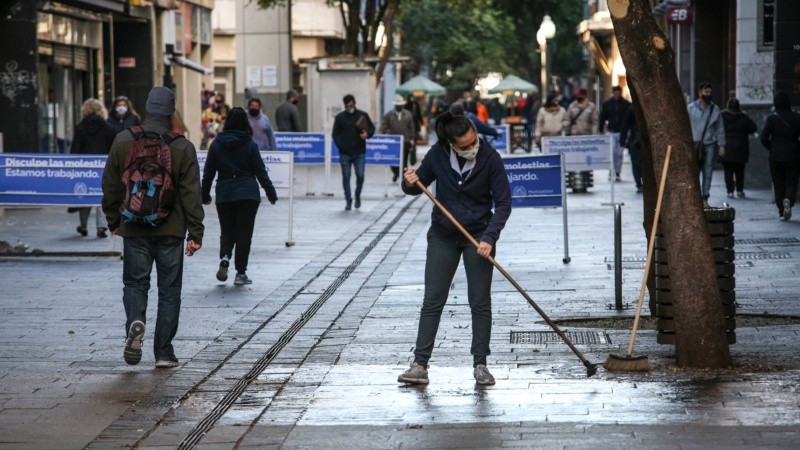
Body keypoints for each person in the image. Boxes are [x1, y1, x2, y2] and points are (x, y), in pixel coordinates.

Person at [397, 111, 512, 386]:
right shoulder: (437, 155)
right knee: (433, 299)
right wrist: (409, 182)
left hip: (478, 237)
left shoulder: (489, 158)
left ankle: (481, 364)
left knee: (480, 301)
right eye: (465, 146)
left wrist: (489, 237)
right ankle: (419, 365)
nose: (472, 148)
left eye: (474, 141)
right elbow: (418, 185)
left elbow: (504, 203)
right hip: (443, 236)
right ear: (450, 143)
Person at [101, 86, 205, 369]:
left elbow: (110, 185)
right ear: (171, 111)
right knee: (169, 289)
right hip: (171, 229)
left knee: (135, 282)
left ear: (146, 108)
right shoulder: (182, 146)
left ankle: (136, 321)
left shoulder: (123, 140)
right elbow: (191, 194)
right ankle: (164, 352)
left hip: (134, 226)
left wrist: (114, 220)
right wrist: (196, 232)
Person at [202, 107, 278, 285]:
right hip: (247, 194)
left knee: (227, 230)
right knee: (244, 233)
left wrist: (204, 195)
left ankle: (226, 257)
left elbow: (208, 173)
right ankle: (240, 273)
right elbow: (260, 171)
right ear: (245, 123)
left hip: (225, 193)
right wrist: (271, 193)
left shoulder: (217, 143)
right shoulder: (250, 144)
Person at [70, 98, 116, 237]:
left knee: (84, 194)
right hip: (103, 168)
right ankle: (101, 226)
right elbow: (113, 149)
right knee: (102, 196)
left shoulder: (80, 128)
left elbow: (75, 149)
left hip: (85, 168)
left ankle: (83, 226)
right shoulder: (109, 128)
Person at [759, 91, 800, 221]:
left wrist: (771, 147)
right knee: (792, 181)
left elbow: (763, 137)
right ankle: (789, 200)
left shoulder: (772, 118)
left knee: (778, 183)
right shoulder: (797, 117)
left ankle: (781, 212)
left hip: (776, 156)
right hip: (793, 155)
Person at [332, 94, 375, 210]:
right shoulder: (340, 117)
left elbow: (371, 129)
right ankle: (348, 200)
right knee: (346, 176)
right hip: (344, 153)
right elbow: (335, 134)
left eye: (351, 105)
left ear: (355, 103)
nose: (349, 107)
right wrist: (340, 146)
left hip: (359, 151)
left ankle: (357, 195)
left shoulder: (363, 115)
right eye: (347, 106)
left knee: (360, 175)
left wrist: (367, 135)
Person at [688, 82, 726, 207]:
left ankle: (705, 198)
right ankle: (694, 198)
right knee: (694, 172)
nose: (708, 94)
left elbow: (720, 128)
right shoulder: (691, 108)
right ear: (700, 93)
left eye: (710, 92)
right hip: (694, 145)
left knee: (708, 172)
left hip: (709, 145)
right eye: (706, 92)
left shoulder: (715, 110)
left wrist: (722, 146)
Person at [720, 98, 757, 199]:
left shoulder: (722, 115)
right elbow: (753, 128)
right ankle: (740, 190)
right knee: (739, 171)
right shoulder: (743, 116)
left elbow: (717, 129)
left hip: (727, 147)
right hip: (741, 147)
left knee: (728, 171)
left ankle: (730, 191)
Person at [566, 87, 599, 192]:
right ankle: (573, 182)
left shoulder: (591, 106)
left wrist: (593, 136)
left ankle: (585, 181)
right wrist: (567, 132)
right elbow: (567, 120)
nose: (578, 97)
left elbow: (595, 121)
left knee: (586, 161)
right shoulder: (572, 106)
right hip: (574, 137)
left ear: (585, 95)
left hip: (587, 137)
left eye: (580, 95)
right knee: (574, 160)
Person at [382, 94, 417, 183]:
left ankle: (403, 177)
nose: (399, 106)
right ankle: (397, 173)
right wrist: (385, 129)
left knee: (404, 161)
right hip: (393, 141)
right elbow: (383, 125)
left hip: (405, 141)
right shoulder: (389, 114)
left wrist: (412, 138)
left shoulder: (408, 114)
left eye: (400, 105)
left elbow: (412, 127)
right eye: (397, 105)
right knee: (392, 160)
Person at [599, 86, 631, 180]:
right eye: (615, 92)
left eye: (618, 92)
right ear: (613, 93)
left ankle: (617, 171)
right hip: (610, 131)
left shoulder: (626, 104)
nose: (617, 94)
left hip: (622, 132)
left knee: (619, 153)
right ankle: (611, 170)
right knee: (612, 152)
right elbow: (602, 117)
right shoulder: (607, 104)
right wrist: (601, 129)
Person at [619, 105, 643, 193]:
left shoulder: (631, 108)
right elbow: (625, 125)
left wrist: (622, 140)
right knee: (636, 162)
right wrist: (622, 140)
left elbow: (625, 125)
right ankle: (639, 183)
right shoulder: (632, 109)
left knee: (636, 163)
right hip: (635, 140)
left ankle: (639, 183)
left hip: (635, 139)